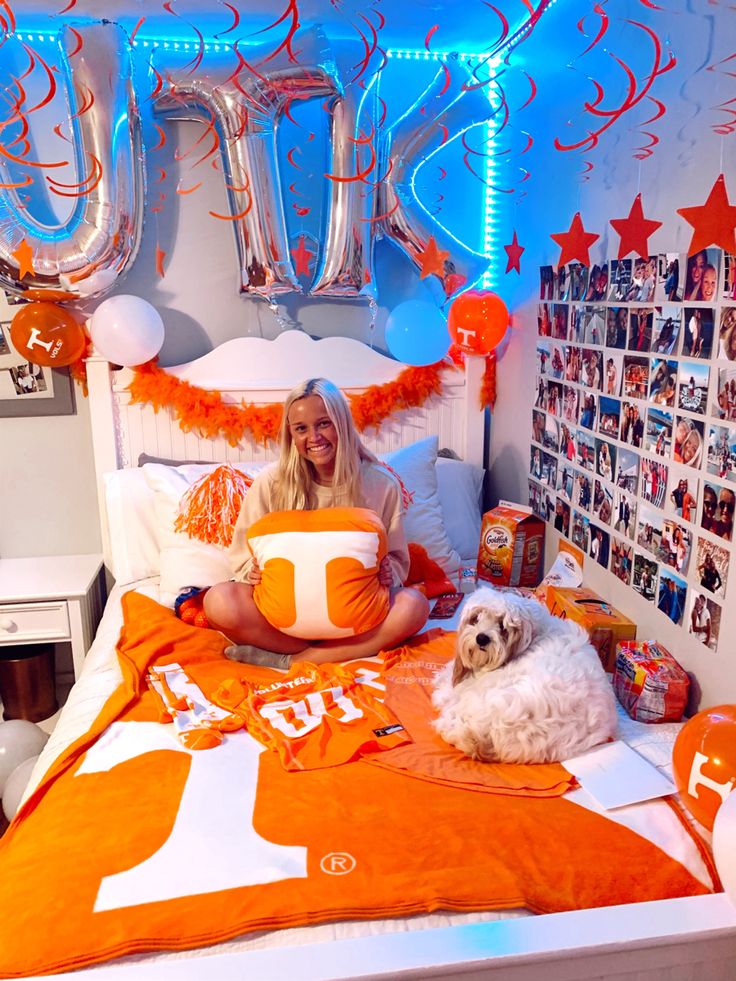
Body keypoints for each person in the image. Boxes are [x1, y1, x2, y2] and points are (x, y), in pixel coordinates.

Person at [204, 378, 429, 668]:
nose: (314, 437)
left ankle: (295, 660)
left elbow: (399, 561)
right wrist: (253, 571)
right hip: (284, 620)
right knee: (218, 600)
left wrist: (389, 572)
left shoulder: (381, 484)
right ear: (291, 435)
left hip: (358, 618)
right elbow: (242, 556)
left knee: (414, 606)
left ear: (342, 424)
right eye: (301, 429)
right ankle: (328, 653)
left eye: (323, 423)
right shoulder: (270, 483)